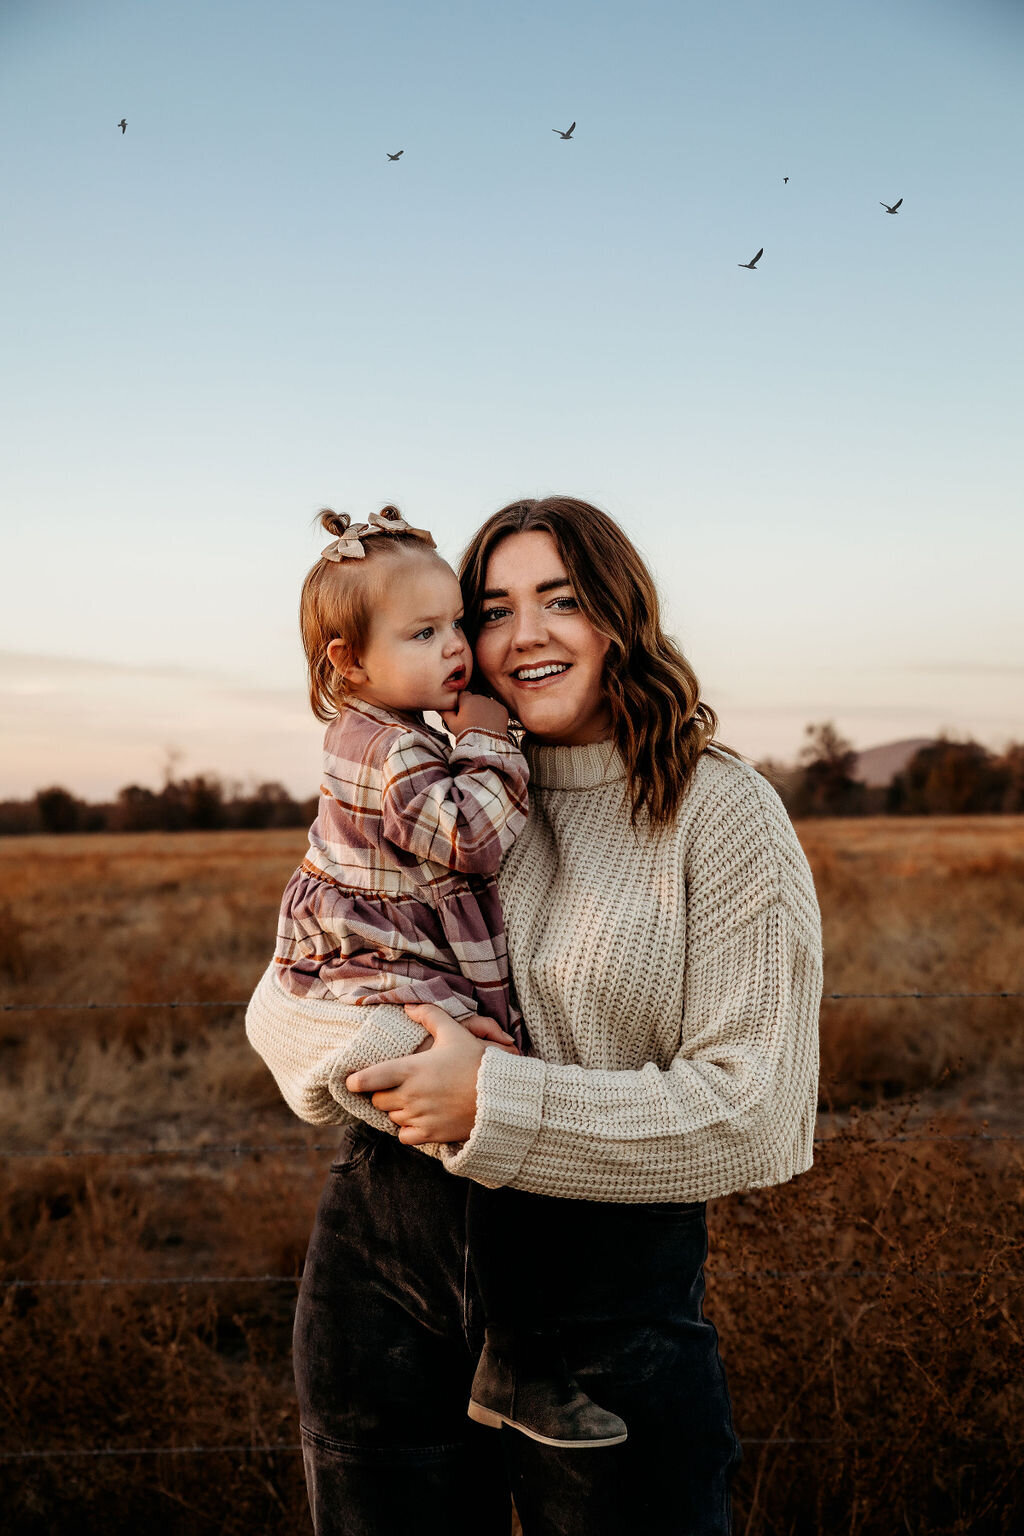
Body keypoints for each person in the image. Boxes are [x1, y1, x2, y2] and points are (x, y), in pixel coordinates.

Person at [246, 494, 823, 1536]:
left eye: (559, 600)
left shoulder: (717, 812)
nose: (521, 636)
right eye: (490, 608)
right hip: (383, 1267)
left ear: (619, 614)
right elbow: (285, 998)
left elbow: (754, 1112)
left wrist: (489, 1099)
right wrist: (400, 1058)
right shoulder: (426, 782)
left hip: (602, 1308)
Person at [265, 502, 629, 1451]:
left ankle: (511, 1349)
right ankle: (515, 1352)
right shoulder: (389, 747)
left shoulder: (399, 732)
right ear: (348, 664)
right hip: (375, 963)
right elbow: (469, 838)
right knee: (486, 1116)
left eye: (457, 623)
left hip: (391, 954)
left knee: (489, 1110)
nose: (461, 649)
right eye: (425, 633)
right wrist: (495, 737)